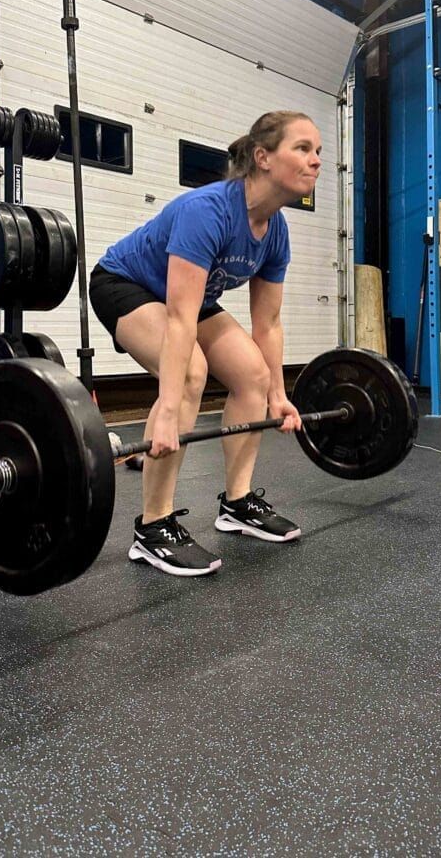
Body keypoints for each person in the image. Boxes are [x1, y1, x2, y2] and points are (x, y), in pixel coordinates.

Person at [89, 111, 322, 577]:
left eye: (319, 152)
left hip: (188, 299)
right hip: (125, 283)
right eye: (303, 148)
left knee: (252, 374)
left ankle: (236, 502)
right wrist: (169, 409)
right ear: (263, 157)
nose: (315, 161)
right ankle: (152, 528)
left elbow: (269, 324)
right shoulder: (208, 211)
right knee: (190, 372)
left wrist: (278, 395)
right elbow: (179, 320)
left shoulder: (275, 230)